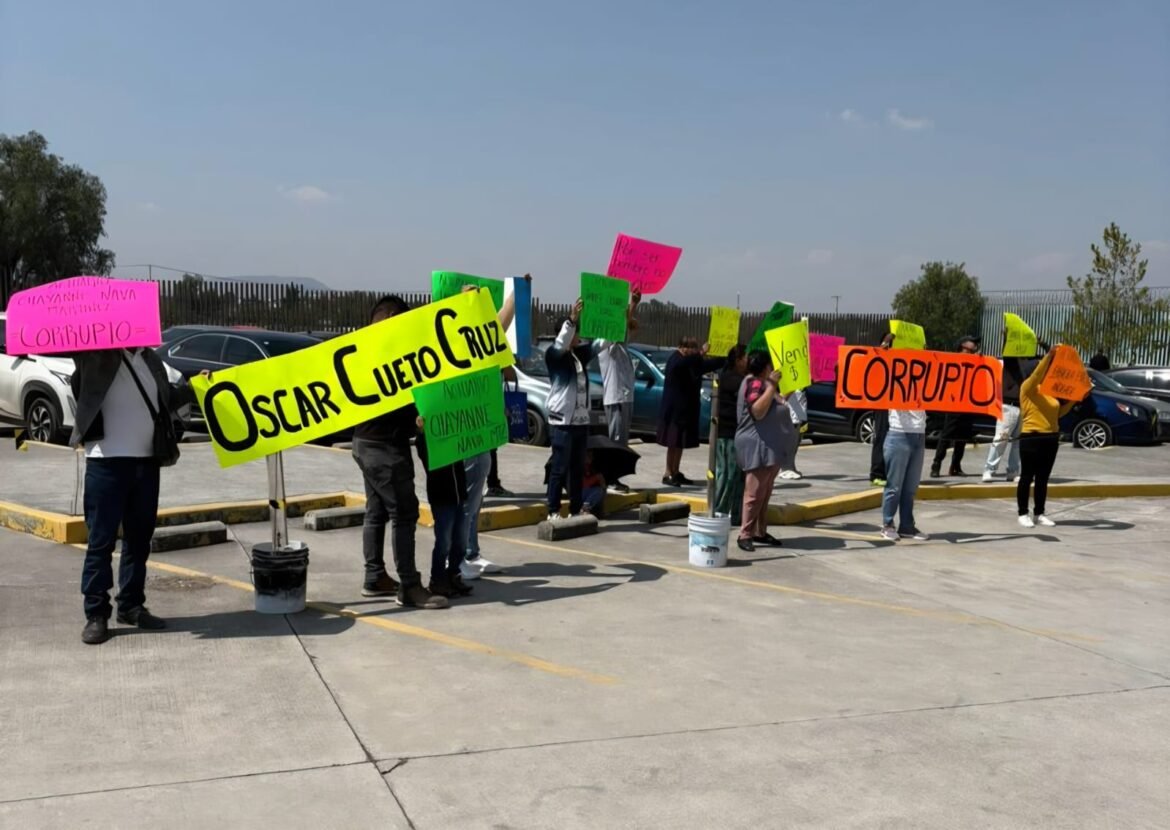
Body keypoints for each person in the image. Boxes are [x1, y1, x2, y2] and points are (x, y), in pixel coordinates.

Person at [72, 346, 195, 644]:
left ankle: (131, 606)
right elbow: (79, 382)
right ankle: (96, 614)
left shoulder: (152, 360)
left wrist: (192, 388)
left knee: (139, 540)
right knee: (100, 542)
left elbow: (164, 401)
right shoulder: (95, 355)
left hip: (147, 462)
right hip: (106, 462)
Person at [351, 295, 448, 609]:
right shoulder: (388, 354)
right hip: (384, 448)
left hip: (365, 443)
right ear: (392, 319)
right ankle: (409, 586)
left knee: (376, 511)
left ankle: (375, 576)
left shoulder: (361, 351)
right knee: (404, 514)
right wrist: (413, 421)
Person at [460, 280, 522, 580]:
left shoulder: (484, 338)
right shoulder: (461, 340)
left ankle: (470, 552)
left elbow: (504, 316)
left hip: (483, 430)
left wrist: (519, 291)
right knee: (468, 497)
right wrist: (517, 294)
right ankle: (460, 555)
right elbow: (504, 316)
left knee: (476, 496)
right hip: (467, 432)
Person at [544, 299, 602, 520]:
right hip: (562, 422)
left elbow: (601, 344)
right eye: (576, 332)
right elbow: (561, 343)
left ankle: (575, 509)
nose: (579, 336)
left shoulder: (579, 356)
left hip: (580, 422)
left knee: (577, 468)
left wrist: (621, 319)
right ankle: (553, 510)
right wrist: (572, 320)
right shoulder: (554, 355)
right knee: (559, 467)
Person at [1017, 346, 1076, 528]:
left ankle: (1039, 513)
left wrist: (1074, 399)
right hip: (1031, 437)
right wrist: (1049, 356)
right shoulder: (1027, 388)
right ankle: (1023, 513)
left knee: (1043, 478)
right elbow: (1036, 375)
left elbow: (1058, 413)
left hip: (1051, 438)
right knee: (1027, 477)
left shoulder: (1049, 391)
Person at [734, 351, 787, 552]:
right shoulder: (754, 383)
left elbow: (781, 402)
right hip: (756, 445)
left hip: (768, 445)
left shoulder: (764, 384)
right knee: (754, 493)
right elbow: (757, 411)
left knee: (764, 493)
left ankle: (759, 531)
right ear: (765, 368)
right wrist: (772, 385)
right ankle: (745, 534)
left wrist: (791, 386)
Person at [414, 419, 471, 602]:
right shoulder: (429, 443)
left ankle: (453, 573)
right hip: (442, 496)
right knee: (444, 541)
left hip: (459, 494)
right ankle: (437, 579)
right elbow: (422, 448)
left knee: (461, 540)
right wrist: (422, 431)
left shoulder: (455, 437)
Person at [657, 337, 724, 486]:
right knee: (673, 443)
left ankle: (676, 471)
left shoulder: (690, 362)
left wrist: (724, 359)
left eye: (695, 348)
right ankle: (668, 473)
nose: (693, 351)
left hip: (686, 409)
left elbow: (705, 366)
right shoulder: (676, 359)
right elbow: (683, 364)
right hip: (674, 410)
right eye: (691, 348)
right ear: (682, 347)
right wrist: (700, 353)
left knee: (680, 443)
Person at [595, 286, 642, 493]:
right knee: (614, 440)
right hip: (615, 398)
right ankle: (609, 478)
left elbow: (625, 329)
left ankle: (614, 477)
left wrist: (633, 306)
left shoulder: (621, 345)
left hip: (625, 397)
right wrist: (632, 305)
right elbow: (619, 327)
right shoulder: (604, 343)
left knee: (622, 441)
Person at [930, 335, 981, 478]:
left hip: (968, 404)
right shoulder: (952, 360)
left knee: (962, 437)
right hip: (953, 404)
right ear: (962, 348)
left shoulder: (975, 362)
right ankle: (936, 464)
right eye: (970, 349)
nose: (973, 352)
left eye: (974, 350)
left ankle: (956, 466)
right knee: (946, 435)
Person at [880, 404, 929, 543]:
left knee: (910, 487)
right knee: (894, 486)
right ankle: (887, 524)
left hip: (919, 432)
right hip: (899, 432)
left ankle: (907, 526)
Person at [713, 345, 748, 525]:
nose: (748, 361)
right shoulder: (731, 379)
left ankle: (735, 514)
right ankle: (719, 511)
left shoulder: (741, 379)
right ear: (738, 360)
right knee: (728, 474)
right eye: (746, 358)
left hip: (738, 434)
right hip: (727, 434)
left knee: (739, 477)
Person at [982, 352, 1024, 483]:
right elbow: (1008, 351)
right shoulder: (1011, 361)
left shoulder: (1030, 362)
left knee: (1018, 442)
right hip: (1008, 405)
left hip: (1023, 406)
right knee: (1001, 439)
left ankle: (1013, 471)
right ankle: (989, 469)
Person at [869, 332, 895, 486]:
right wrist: (886, 343)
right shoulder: (880, 357)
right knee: (881, 437)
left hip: (896, 403)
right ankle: (876, 474)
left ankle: (887, 472)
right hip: (882, 402)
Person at [780, 387, 807, 480]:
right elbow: (783, 396)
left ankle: (791, 467)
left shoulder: (801, 383)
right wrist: (792, 388)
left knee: (796, 442)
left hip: (799, 413)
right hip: (791, 415)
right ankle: (785, 469)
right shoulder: (790, 382)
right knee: (789, 443)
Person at [581, 451, 607, 517]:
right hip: (579, 492)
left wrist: (602, 482)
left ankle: (599, 510)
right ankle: (585, 508)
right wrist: (596, 478)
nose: (591, 458)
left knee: (601, 490)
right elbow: (583, 483)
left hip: (588, 492)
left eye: (591, 456)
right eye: (589, 456)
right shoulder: (578, 466)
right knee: (598, 491)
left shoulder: (592, 467)